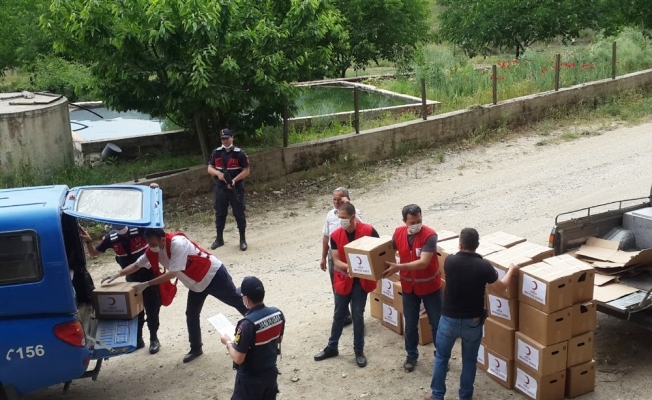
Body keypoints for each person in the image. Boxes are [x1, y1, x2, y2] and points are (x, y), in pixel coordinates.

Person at [101, 228, 248, 363]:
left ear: (162, 239)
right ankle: (196, 348)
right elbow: (137, 265)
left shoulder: (178, 244)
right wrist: (118, 274)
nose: (150, 247)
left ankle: (256, 328)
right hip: (195, 283)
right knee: (191, 314)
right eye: (148, 243)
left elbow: (172, 273)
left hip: (213, 274)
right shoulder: (153, 250)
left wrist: (146, 284)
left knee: (238, 302)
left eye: (153, 243)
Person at [424, 228, 521, 400]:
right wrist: (512, 270)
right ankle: (465, 396)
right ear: (477, 245)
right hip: (472, 322)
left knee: (441, 358)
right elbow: (501, 288)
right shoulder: (484, 266)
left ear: (460, 244)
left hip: (449, 320)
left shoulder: (450, 261)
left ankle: (437, 395)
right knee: (469, 361)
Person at [314, 203, 379, 368]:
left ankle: (359, 351)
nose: (341, 221)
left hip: (361, 282)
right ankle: (332, 347)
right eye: (339, 217)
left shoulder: (369, 230)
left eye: (344, 218)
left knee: (358, 316)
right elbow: (336, 260)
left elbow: (378, 252)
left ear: (353, 217)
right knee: (339, 315)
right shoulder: (336, 235)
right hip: (343, 280)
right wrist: (350, 268)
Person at [81, 224, 162, 354]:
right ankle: (137, 340)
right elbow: (93, 253)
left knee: (152, 308)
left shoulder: (140, 229)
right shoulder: (111, 238)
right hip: (131, 278)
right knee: (135, 311)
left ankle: (154, 339)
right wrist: (88, 240)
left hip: (149, 275)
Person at [383, 204, 442, 372]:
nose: (416, 225)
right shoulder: (398, 233)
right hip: (409, 288)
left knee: (437, 324)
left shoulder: (430, 235)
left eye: (419, 221)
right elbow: (386, 250)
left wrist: (398, 267)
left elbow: (423, 262)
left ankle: (441, 357)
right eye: (412, 222)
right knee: (410, 324)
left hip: (430, 287)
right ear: (404, 221)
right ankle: (411, 355)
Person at [220, 276, 285, 400]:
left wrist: (227, 342)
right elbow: (279, 339)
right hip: (270, 373)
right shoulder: (278, 313)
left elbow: (238, 358)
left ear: (246, 299)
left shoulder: (247, 324)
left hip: (250, 380)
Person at [319, 187, 363, 327]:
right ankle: (344, 316)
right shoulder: (330, 215)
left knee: (355, 285)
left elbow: (362, 227)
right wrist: (323, 257)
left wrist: (348, 205)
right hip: (335, 254)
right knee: (337, 285)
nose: (336, 202)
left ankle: (357, 317)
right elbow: (326, 237)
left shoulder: (355, 213)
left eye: (340, 199)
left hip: (351, 253)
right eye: (334, 199)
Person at [207, 128, 251, 251]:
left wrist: (235, 180)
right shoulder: (216, 152)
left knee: (239, 213)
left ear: (232, 138)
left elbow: (246, 170)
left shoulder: (239, 153)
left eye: (226, 138)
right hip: (220, 188)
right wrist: (218, 174)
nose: (224, 140)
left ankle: (242, 239)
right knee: (220, 213)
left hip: (236, 187)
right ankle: (219, 239)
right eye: (222, 138)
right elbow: (209, 168)